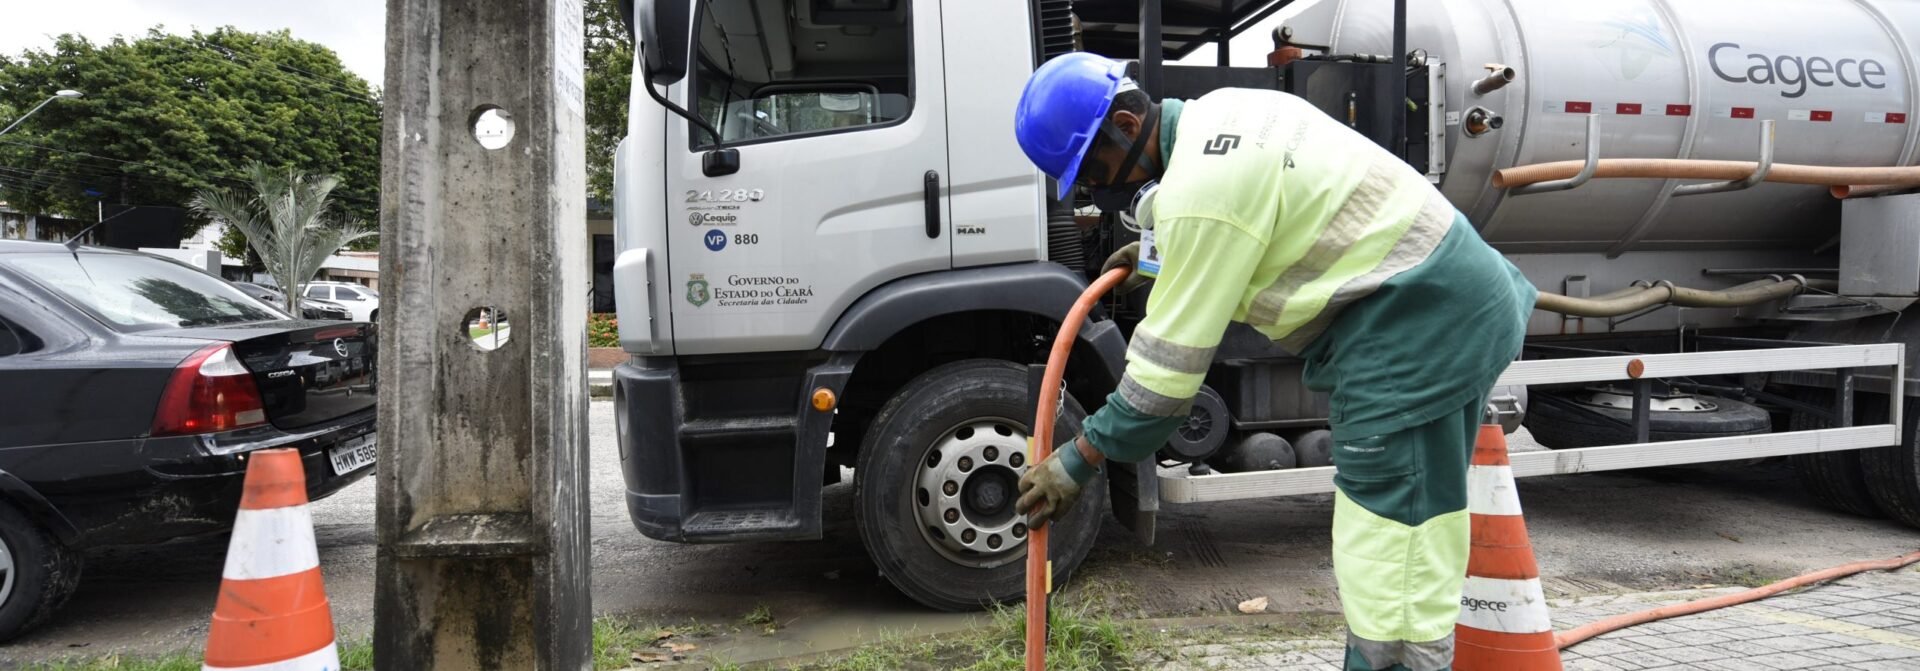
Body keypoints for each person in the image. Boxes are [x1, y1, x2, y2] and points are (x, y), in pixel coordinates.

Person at [1010, 52, 1536, 671]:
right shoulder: (1226, 111)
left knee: (1389, 538)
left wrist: (1078, 460)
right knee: (1419, 527)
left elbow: (1160, 390)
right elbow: (1270, 214)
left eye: (1093, 170)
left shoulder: (1199, 195)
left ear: (1126, 125)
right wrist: (1162, 255)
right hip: (1447, 304)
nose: (1098, 190)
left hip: (1415, 328)